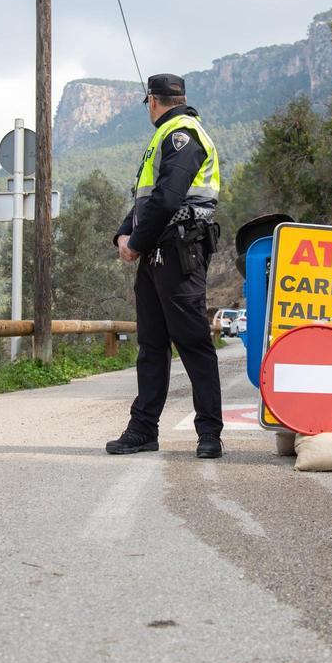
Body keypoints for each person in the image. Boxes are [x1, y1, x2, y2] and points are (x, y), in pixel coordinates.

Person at [108, 73, 223, 458]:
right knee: (151, 346)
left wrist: (135, 244)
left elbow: (168, 199)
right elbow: (147, 199)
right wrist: (123, 236)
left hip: (179, 250)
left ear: (152, 101)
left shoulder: (182, 134)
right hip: (158, 252)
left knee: (192, 343)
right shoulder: (166, 136)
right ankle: (143, 429)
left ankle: (209, 433)